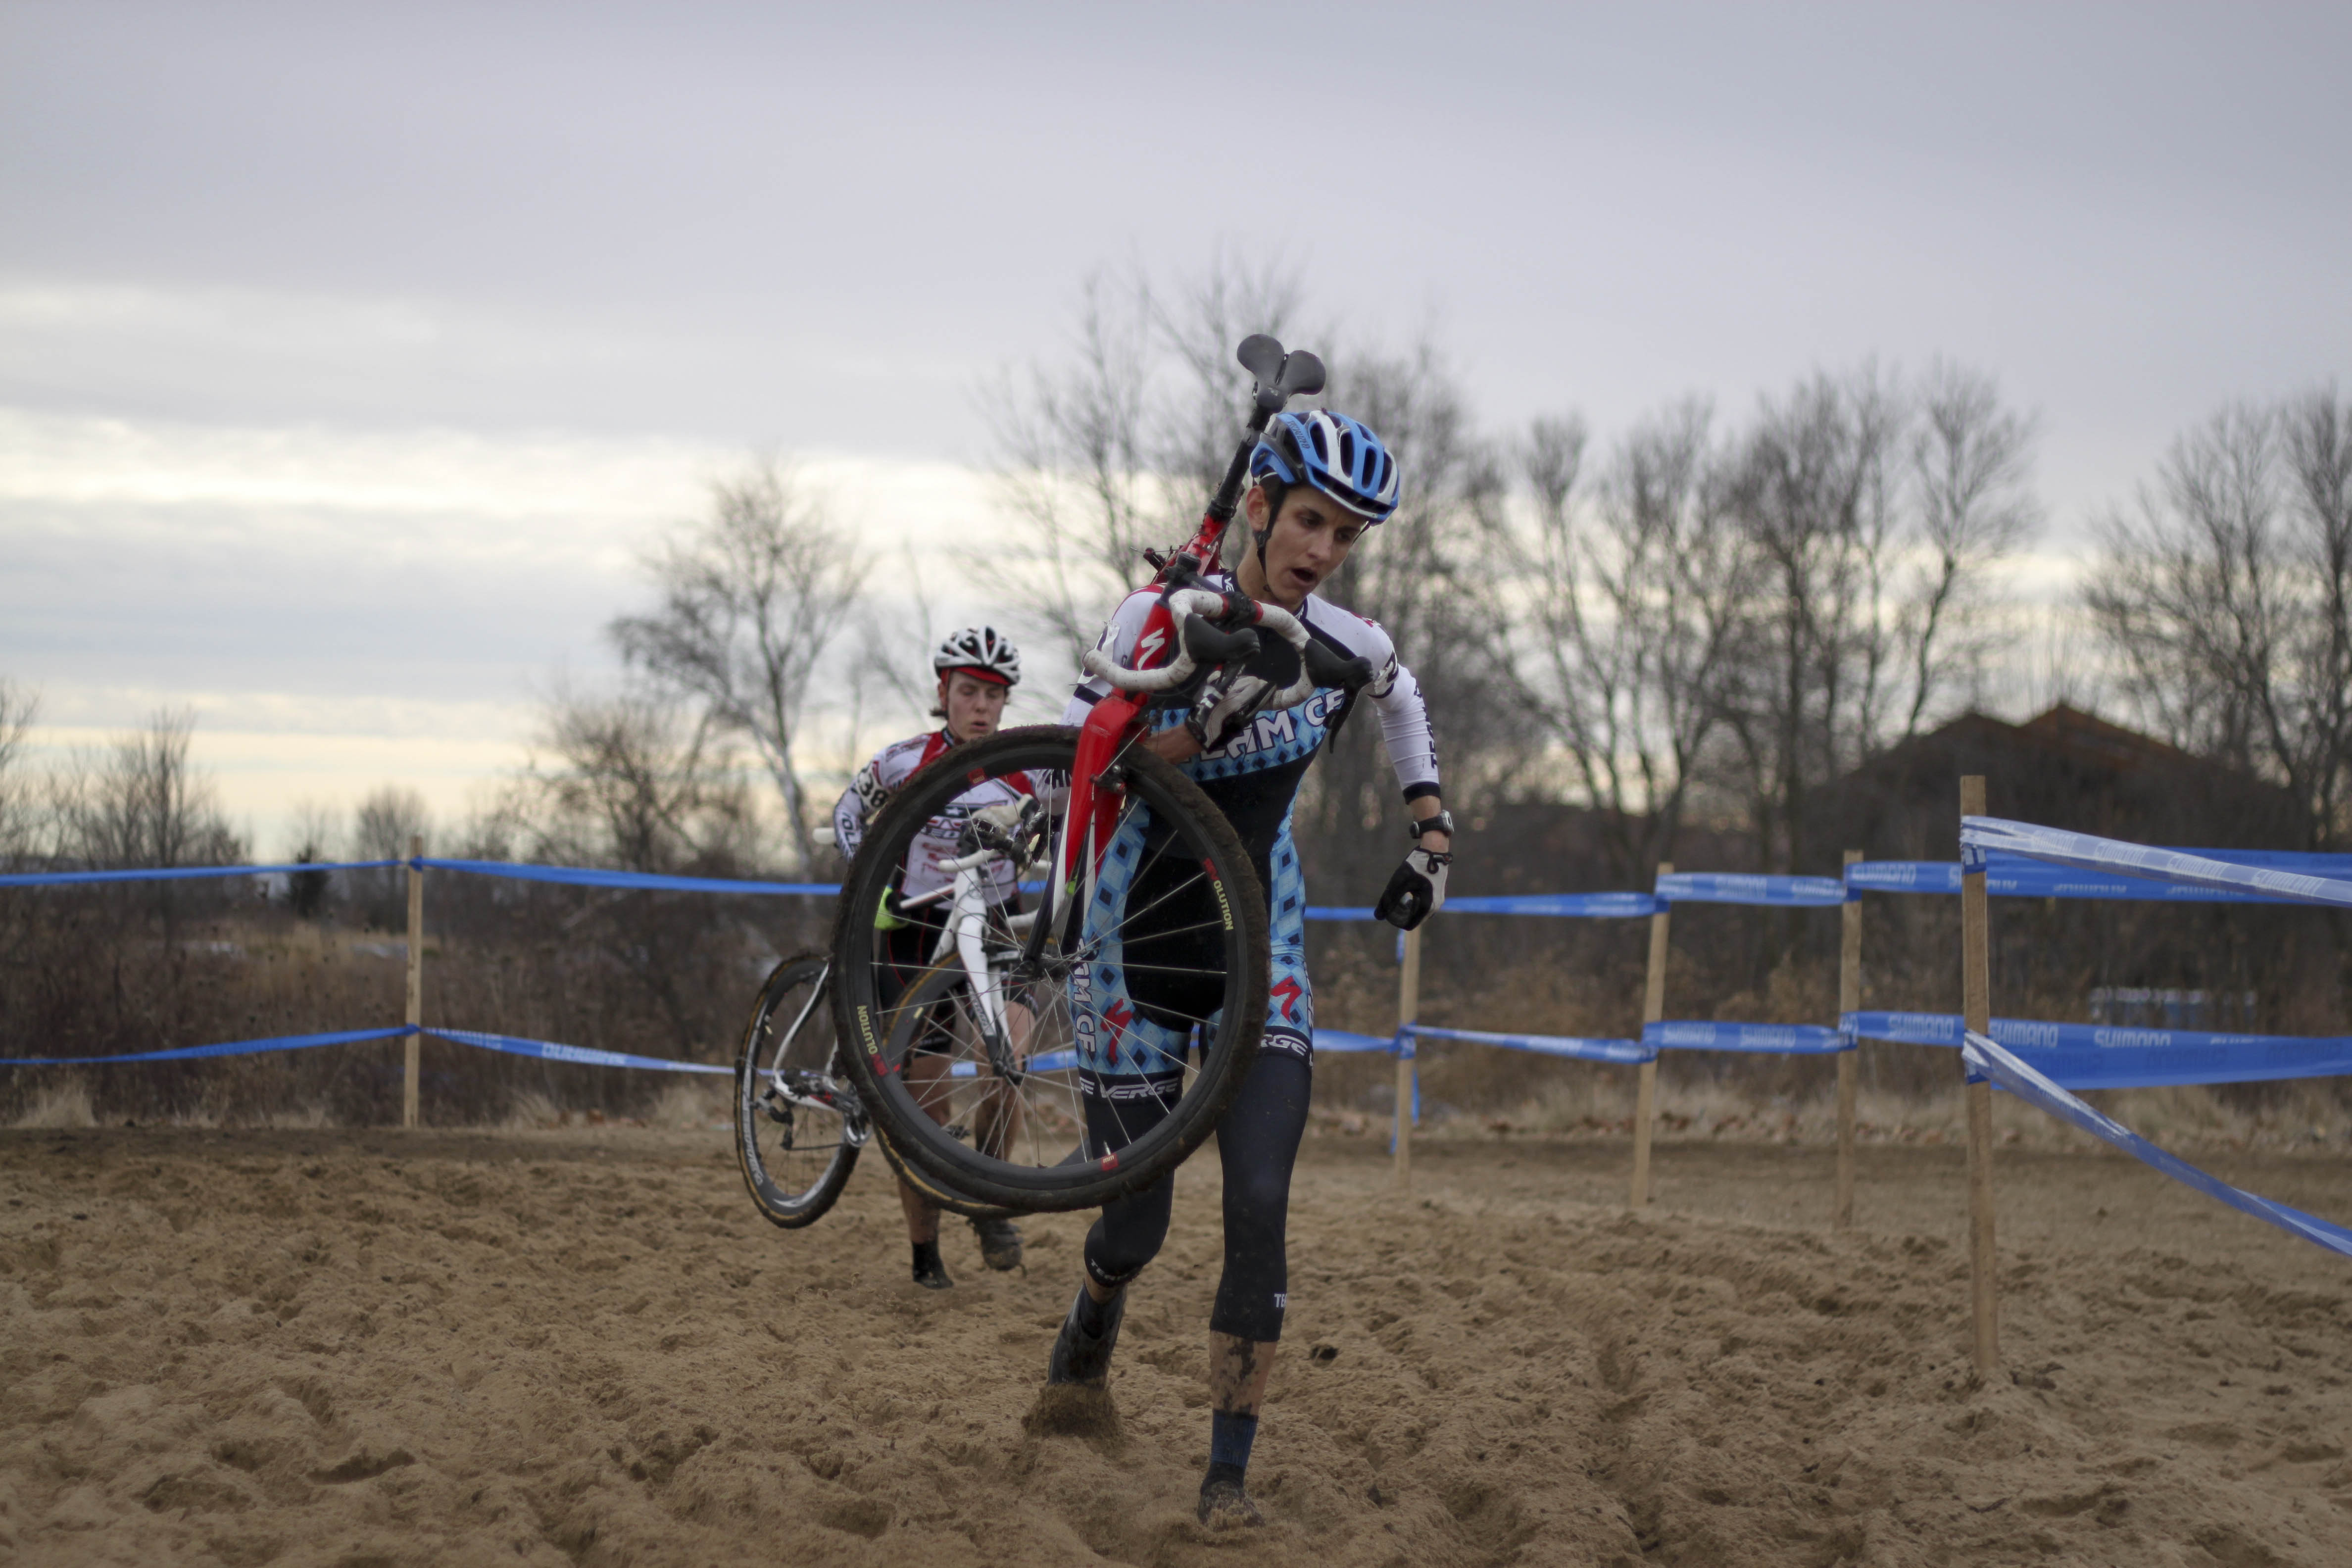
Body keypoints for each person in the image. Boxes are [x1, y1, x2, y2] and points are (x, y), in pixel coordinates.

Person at [1046, 409, 1453, 1529]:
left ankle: (1227, 1478)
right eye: (1311, 520)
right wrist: (1180, 729)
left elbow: (1402, 698)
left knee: (1262, 1201)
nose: (1322, 549)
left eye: (1347, 536)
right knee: (1136, 1230)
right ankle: (1090, 1321)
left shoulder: (1345, 646)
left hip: (1258, 941)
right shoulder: (1158, 613)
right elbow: (1073, 764)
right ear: (1261, 505)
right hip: (1135, 942)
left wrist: (1432, 837)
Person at [833, 626, 1032, 1289]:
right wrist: (871, 881)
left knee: (1008, 1071)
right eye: (969, 692)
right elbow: (846, 813)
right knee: (925, 1110)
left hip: (998, 933)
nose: (981, 706)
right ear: (944, 693)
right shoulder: (902, 761)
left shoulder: (1032, 767)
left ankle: (992, 1202)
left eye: (994, 696)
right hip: (918, 937)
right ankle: (925, 1257)